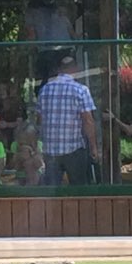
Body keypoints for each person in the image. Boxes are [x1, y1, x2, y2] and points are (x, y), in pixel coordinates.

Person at [37, 54, 99, 186]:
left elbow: (40, 120)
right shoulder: (81, 90)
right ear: (75, 69)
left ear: (60, 69)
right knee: (78, 190)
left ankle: (53, 208)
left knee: (52, 193)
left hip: (50, 150)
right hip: (73, 149)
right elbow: (88, 121)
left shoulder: (44, 90)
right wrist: (93, 147)